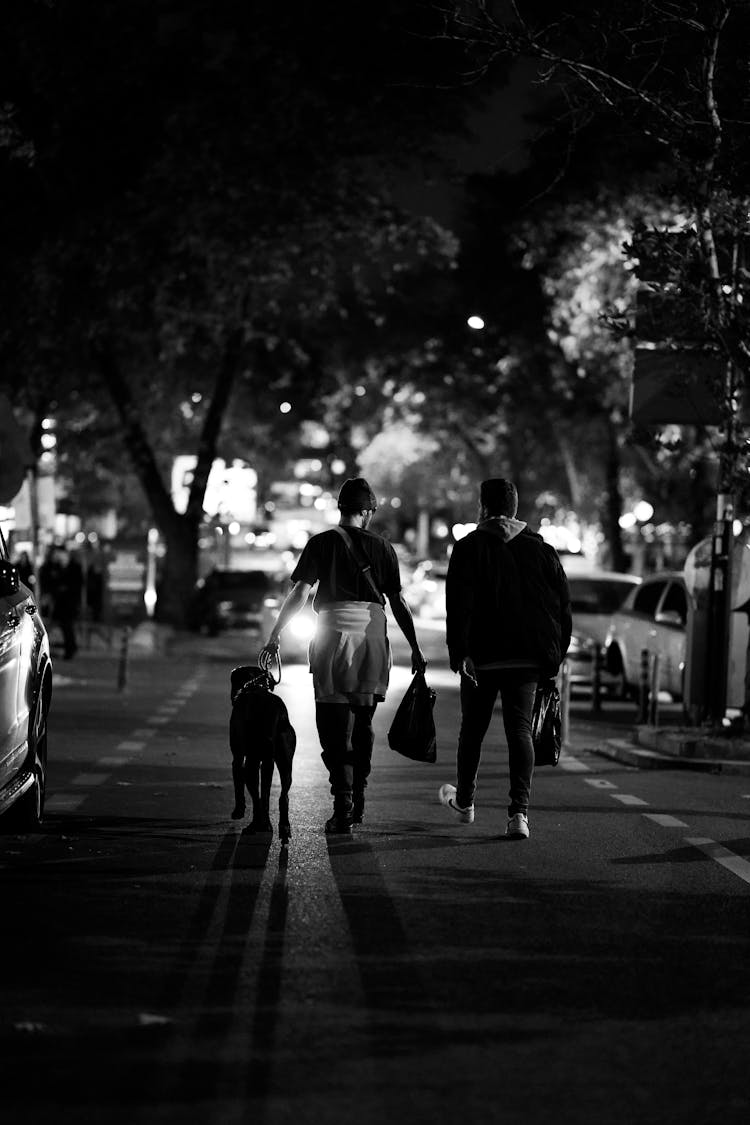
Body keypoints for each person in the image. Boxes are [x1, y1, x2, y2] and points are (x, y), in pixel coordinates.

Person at [259, 477, 427, 834]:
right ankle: (359, 794)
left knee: (334, 727)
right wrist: (414, 647)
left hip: (331, 637)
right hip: (370, 638)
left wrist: (276, 633)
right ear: (367, 513)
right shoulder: (384, 548)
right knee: (363, 722)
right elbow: (398, 602)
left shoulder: (321, 543)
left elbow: (301, 592)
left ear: (341, 509)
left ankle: (343, 801)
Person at [440, 478, 571, 840]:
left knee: (473, 730)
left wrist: (460, 652)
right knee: (519, 730)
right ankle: (519, 815)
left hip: (481, 658)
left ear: (483, 507)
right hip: (527, 658)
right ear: (514, 509)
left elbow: (458, 605)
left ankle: (464, 804)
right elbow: (562, 605)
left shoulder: (468, 548)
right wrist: (553, 657)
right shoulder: (541, 550)